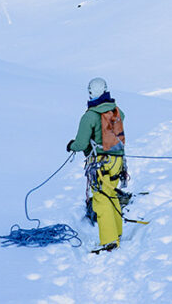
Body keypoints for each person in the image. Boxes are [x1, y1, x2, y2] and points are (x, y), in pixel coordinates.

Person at [68, 77, 126, 252]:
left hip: (100, 163)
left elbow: (80, 143)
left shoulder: (89, 116)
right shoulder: (117, 112)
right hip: (117, 161)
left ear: (90, 93)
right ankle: (117, 232)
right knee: (112, 195)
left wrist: (71, 145)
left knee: (101, 199)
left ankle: (109, 240)